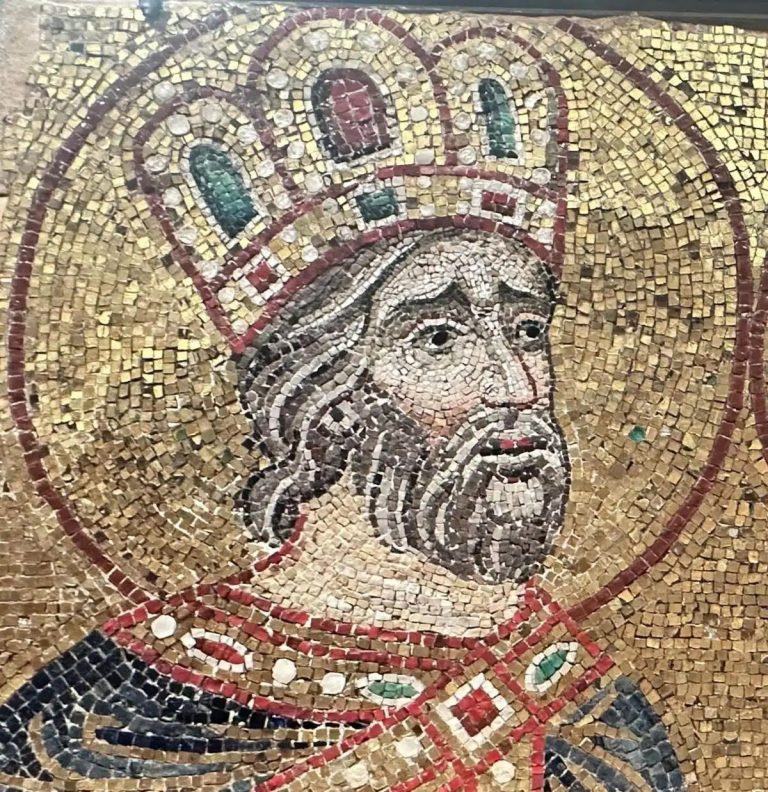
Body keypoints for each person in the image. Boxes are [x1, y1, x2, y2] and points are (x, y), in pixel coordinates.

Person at [0, 231, 685, 791]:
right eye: (439, 339)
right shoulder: (99, 715)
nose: (518, 385)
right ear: (328, 399)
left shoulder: (589, 712)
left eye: (528, 330)